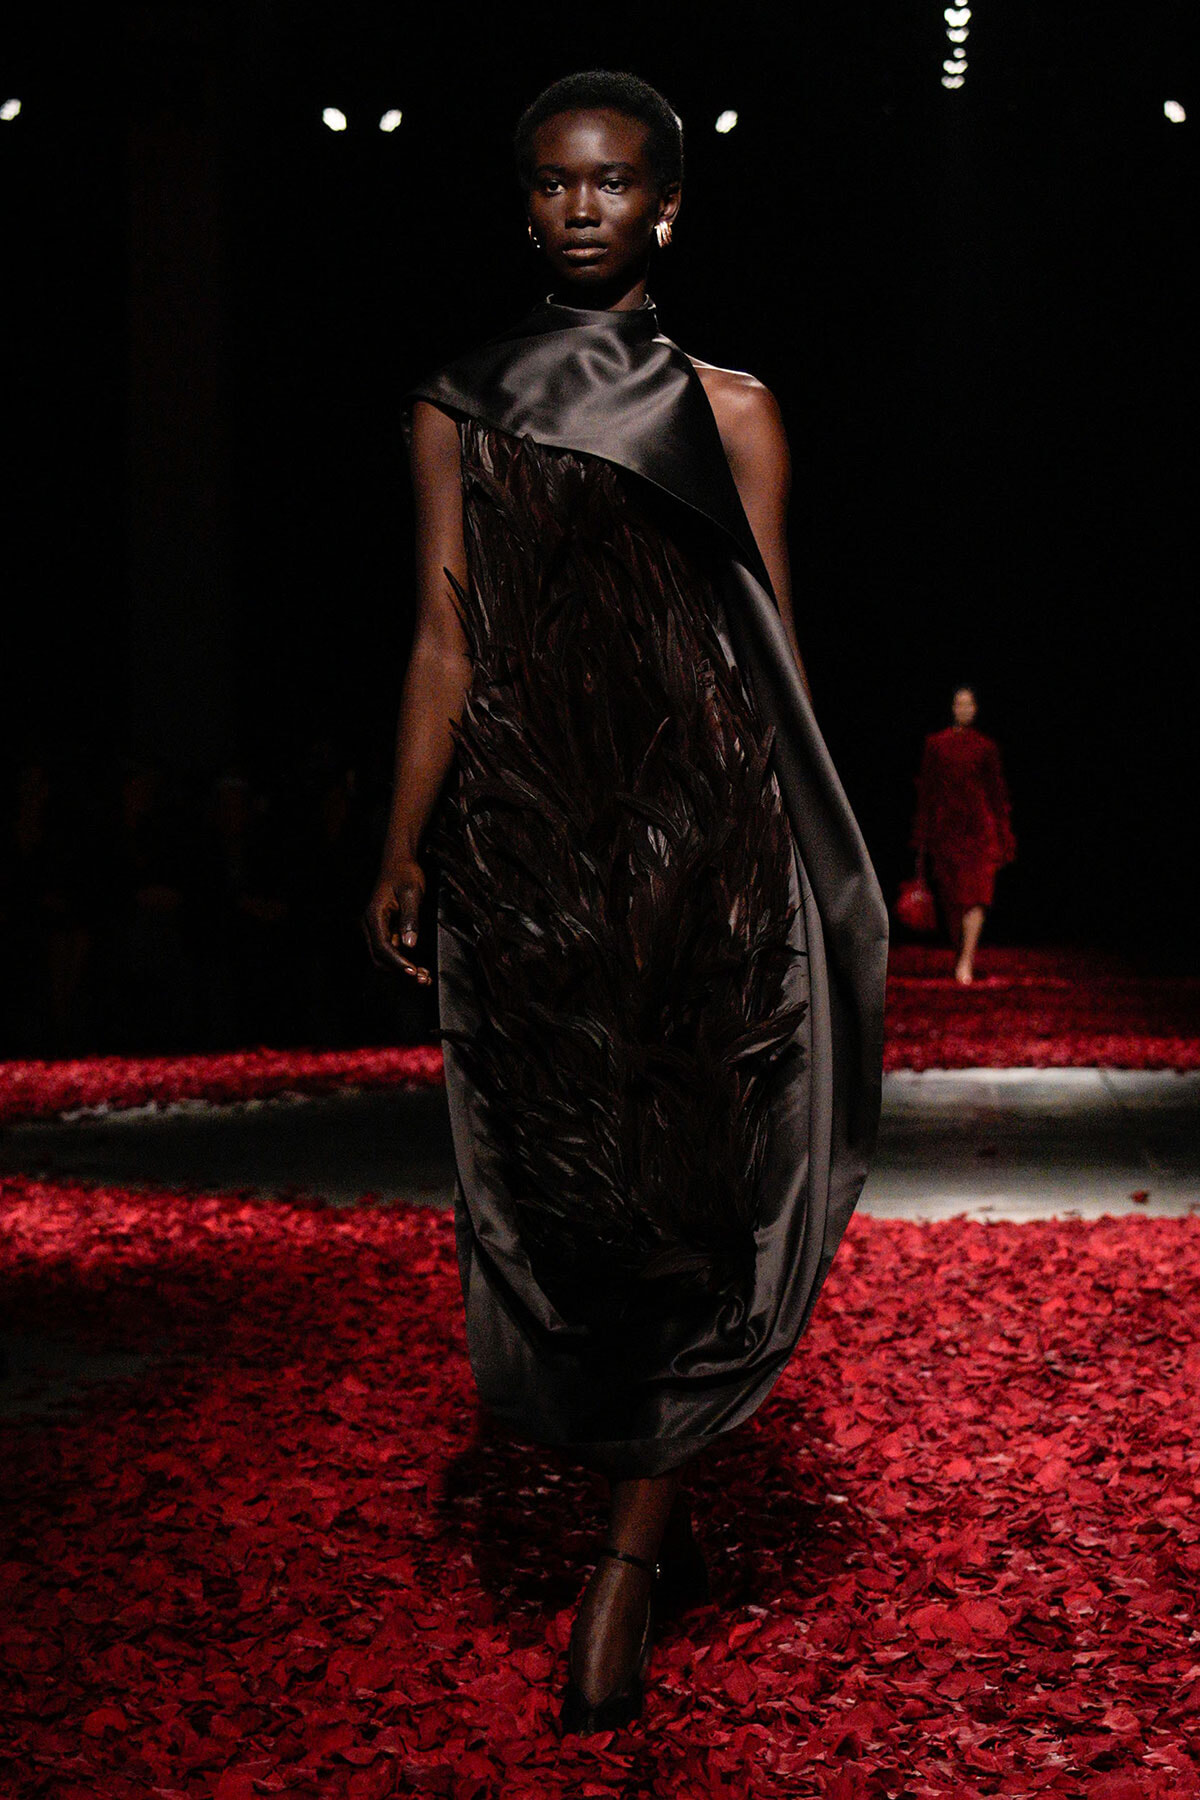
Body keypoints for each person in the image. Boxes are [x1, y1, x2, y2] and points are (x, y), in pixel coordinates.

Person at [363, 70, 887, 1733]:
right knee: (571, 1192)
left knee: (704, 1184)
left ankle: (627, 1563)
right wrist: (404, 845)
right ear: (523, 205)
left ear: (667, 205)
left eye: (610, 182)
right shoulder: (458, 404)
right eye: (551, 182)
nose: (579, 206)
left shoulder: (734, 410)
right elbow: (445, 636)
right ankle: (657, 1511)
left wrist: (814, 858)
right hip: (535, 844)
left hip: (708, 841)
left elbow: (772, 654)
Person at [912, 686, 1016, 985]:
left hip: (979, 830)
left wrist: (1004, 834)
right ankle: (960, 953)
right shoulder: (936, 744)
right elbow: (927, 789)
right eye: (960, 703)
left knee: (977, 894)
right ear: (953, 707)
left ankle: (966, 960)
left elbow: (997, 792)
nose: (965, 709)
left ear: (976, 709)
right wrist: (922, 833)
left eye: (969, 704)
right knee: (951, 897)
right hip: (946, 829)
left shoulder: (986, 747)